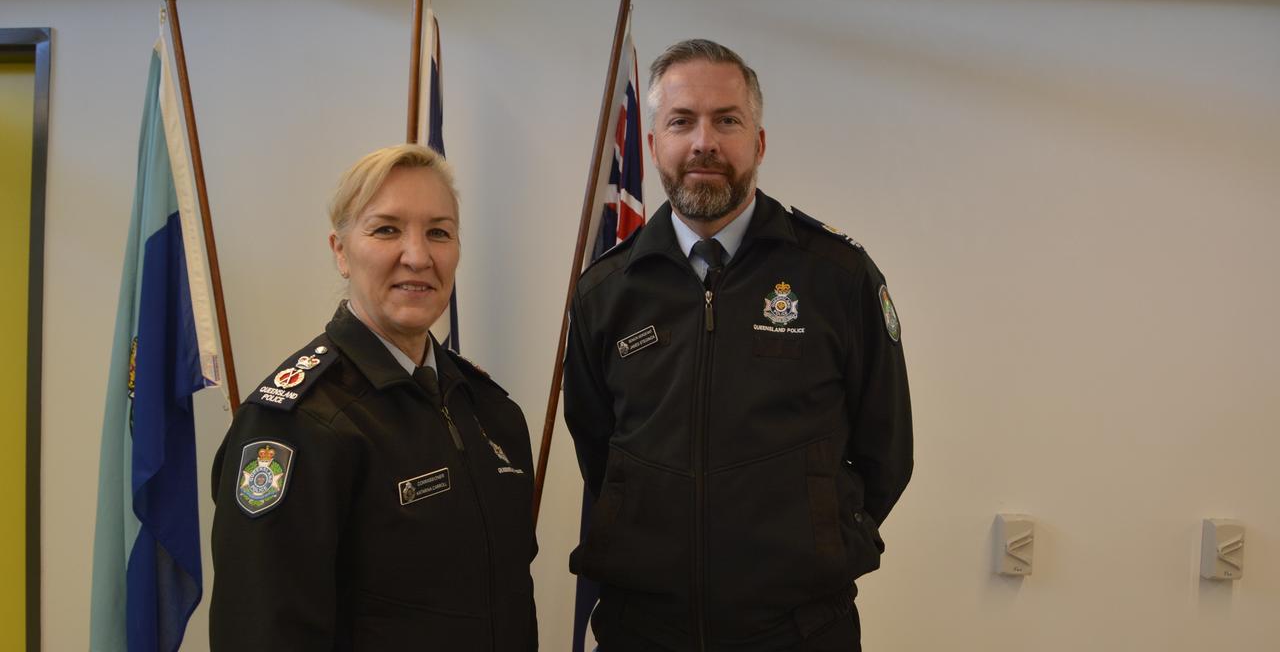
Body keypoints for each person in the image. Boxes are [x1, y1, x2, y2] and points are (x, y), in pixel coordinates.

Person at [564, 40, 912, 651]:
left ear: (759, 142)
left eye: (727, 120)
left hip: (800, 631)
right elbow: (599, 451)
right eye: (681, 121)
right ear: (653, 147)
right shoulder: (606, 291)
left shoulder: (838, 276)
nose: (704, 142)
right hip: (642, 631)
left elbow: (886, 451)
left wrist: (819, 536)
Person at [209, 144, 537, 650]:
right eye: (386, 229)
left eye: (438, 232)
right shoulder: (297, 425)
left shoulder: (490, 410)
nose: (418, 255)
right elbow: (263, 631)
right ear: (340, 251)